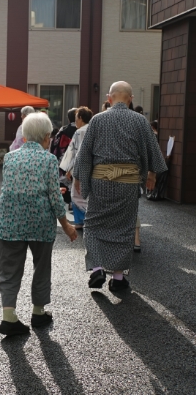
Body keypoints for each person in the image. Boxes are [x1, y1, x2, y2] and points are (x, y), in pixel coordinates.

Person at [73, 81, 167, 292]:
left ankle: (97, 268)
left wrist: (79, 178)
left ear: (109, 98)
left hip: (101, 183)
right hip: (128, 184)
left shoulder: (97, 120)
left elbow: (84, 154)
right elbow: (153, 151)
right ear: (131, 99)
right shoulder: (140, 121)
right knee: (124, 229)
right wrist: (151, 174)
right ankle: (117, 277)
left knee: (94, 224)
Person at [0, 112, 78, 336]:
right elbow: (53, 197)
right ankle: (38, 313)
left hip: (9, 221)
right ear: (46, 136)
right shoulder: (49, 160)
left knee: (9, 271)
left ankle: (8, 317)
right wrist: (67, 226)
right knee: (41, 268)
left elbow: (16, 186)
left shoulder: (10, 157)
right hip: (40, 223)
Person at [61, 107, 93, 229]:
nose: (76, 122)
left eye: (76, 119)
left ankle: (81, 220)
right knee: (88, 193)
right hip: (92, 167)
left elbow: (73, 152)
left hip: (79, 166)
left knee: (77, 194)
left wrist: (68, 169)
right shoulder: (93, 129)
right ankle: (88, 220)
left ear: (80, 118)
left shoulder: (79, 132)